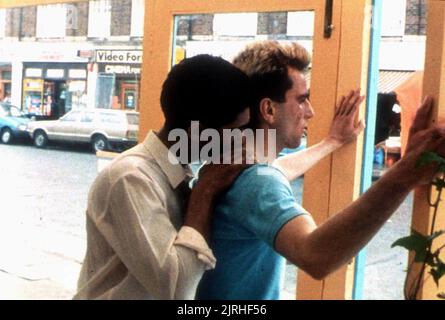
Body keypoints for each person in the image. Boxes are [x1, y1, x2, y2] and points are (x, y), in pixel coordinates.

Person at [196, 40, 445, 300]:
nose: (310, 112)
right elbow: (316, 256)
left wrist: (332, 142)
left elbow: (278, 169)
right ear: (268, 109)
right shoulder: (258, 183)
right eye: (302, 100)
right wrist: (406, 174)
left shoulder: (230, 167)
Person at [74, 54, 252, 300]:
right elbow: (176, 290)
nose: (242, 141)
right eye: (237, 131)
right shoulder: (131, 177)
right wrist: (206, 189)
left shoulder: (174, 174)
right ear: (198, 133)